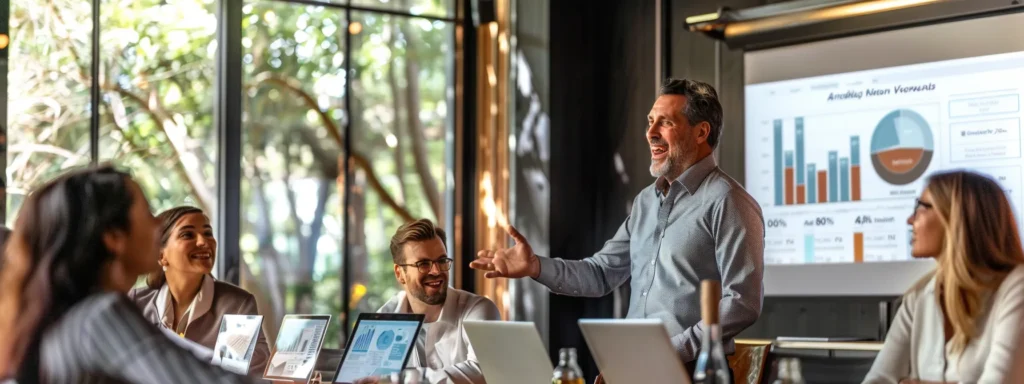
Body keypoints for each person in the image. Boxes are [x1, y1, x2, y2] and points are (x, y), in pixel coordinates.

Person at [471, 78, 765, 372]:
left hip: (692, 369)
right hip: (632, 366)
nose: (650, 133)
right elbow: (600, 274)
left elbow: (742, 302)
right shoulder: (645, 202)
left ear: (701, 132)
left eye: (665, 123)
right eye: (650, 122)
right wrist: (535, 266)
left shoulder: (729, 201)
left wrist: (674, 350)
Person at [0, 166, 251, 383]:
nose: (157, 225)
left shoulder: (64, 315)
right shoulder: (102, 313)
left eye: (208, 233)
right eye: (146, 213)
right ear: (114, 237)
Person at [863, 170, 1024, 384]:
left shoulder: (1016, 286)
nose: (910, 220)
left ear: (956, 215)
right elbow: (877, 380)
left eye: (921, 208)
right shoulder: (918, 296)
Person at [128, 206, 270, 377]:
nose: (204, 242)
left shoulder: (236, 306)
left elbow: (236, 379)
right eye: (187, 234)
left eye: (208, 233)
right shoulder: (136, 302)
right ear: (161, 256)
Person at [365, 218, 500, 384]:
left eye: (442, 261)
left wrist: (405, 378)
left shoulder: (478, 310)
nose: (436, 271)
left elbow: (482, 372)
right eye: (423, 264)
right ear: (400, 273)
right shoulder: (384, 319)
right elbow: (368, 375)